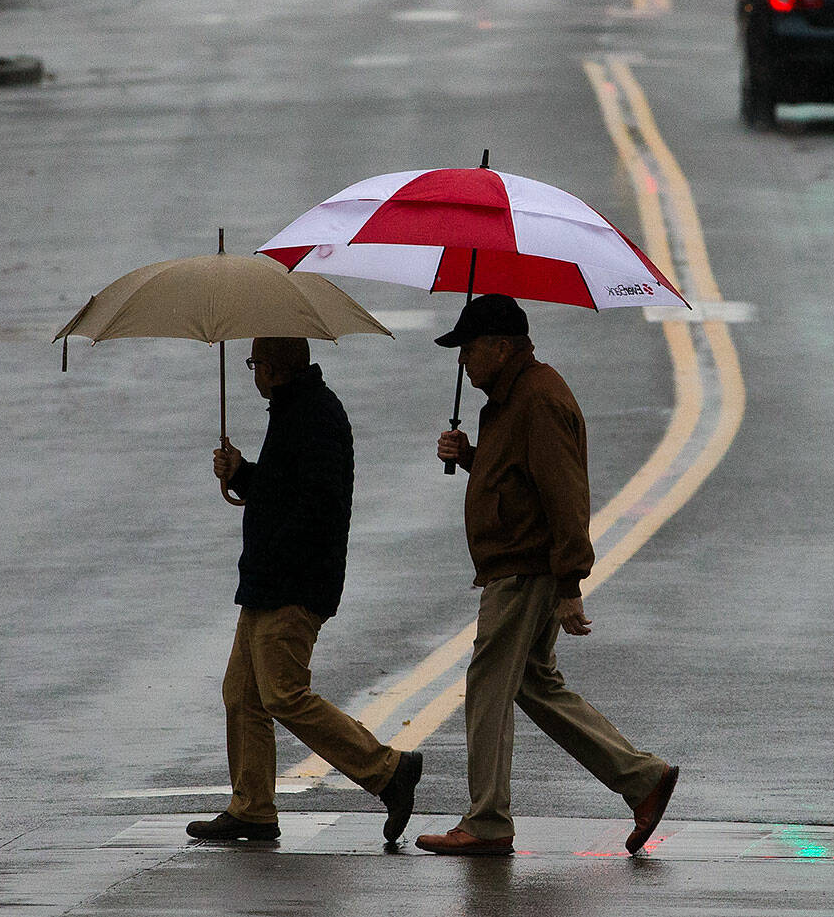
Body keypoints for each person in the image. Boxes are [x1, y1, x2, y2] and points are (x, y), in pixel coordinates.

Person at [414, 295, 679, 858]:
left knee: (488, 684)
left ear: (502, 347)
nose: (463, 360)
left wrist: (569, 584)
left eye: (469, 348)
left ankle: (486, 821)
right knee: (533, 682)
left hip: (525, 567)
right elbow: (519, 475)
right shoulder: (515, 398)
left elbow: (564, 495)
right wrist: (472, 458)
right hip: (522, 563)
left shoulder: (537, 398)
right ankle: (641, 778)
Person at [187, 336, 423, 845]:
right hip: (269, 580)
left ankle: (388, 770)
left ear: (270, 368)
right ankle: (252, 807)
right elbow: (281, 491)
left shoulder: (314, 416)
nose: (250, 371)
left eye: (253, 363)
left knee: (282, 694)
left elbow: (319, 504)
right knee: (243, 694)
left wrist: (276, 553)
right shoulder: (292, 408)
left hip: (291, 582)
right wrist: (243, 473)